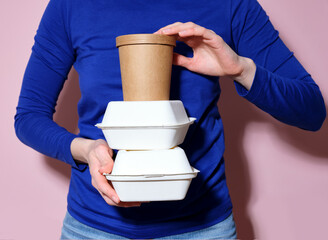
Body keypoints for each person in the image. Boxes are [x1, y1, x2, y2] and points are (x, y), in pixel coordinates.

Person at [15, 0, 326, 239]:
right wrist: (85, 150)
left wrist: (241, 70)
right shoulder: (72, 5)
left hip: (203, 228)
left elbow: (312, 111)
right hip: (93, 228)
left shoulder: (230, 4)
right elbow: (29, 116)